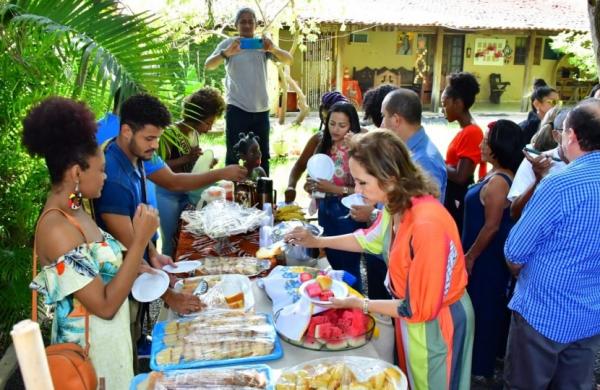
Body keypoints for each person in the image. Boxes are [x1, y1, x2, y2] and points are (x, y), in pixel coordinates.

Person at [286, 130, 474, 390]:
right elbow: (368, 240)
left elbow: (417, 308)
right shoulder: (394, 204)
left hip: (439, 325)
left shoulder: (427, 224)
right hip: (413, 317)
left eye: (363, 183)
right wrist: (318, 242)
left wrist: (359, 303)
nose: (357, 190)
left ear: (390, 178)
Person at [24, 97, 159, 389]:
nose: (105, 176)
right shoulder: (57, 229)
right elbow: (105, 305)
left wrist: (136, 266)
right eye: (100, 169)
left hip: (110, 344)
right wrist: (140, 242)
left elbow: (102, 272)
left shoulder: (77, 210)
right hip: (87, 361)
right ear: (75, 173)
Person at [503, 98, 600, 389]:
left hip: (542, 312)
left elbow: (514, 252)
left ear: (570, 135)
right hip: (590, 314)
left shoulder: (559, 184)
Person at [461, 120, 524, 382]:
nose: (481, 143)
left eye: (486, 140)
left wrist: (471, 256)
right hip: (483, 255)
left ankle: (480, 370)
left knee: (484, 310)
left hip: (486, 258)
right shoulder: (496, 174)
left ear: (499, 146)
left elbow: (491, 226)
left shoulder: (499, 182)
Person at [205, 7, 293, 175]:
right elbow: (209, 65)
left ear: (255, 24)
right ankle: (233, 194)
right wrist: (226, 53)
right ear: (236, 24)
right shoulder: (228, 45)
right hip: (237, 108)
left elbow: (289, 60)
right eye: (243, 22)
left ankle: (262, 193)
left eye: (250, 22)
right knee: (233, 156)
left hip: (261, 111)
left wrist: (273, 49)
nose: (246, 25)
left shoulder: (263, 45)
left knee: (263, 156)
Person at [155, 87, 225, 256]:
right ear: (196, 117)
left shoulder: (193, 134)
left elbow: (191, 168)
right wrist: (186, 159)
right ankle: (168, 274)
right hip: (168, 195)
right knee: (171, 239)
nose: (208, 129)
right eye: (208, 123)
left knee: (186, 237)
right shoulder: (168, 134)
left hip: (187, 193)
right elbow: (158, 167)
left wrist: (203, 164)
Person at [306, 102, 364, 291]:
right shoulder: (324, 143)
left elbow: (367, 190)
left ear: (351, 125)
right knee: (334, 262)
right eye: (332, 123)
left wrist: (335, 189)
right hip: (326, 209)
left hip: (347, 213)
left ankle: (357, 307)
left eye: (342, 125)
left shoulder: (358, 148)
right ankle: (339, 303)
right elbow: (313, 174)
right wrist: (311, 185)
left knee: (349, 266)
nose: (336, 129)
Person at [285, 91, 349, 204]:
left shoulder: (359, 141)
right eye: (326, 120)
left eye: (341, 124)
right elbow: (299, 166)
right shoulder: (319, 139)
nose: (328, 124)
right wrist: (291, 186)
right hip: (324, 207)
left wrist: (335, 189)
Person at [442, 72, 486, 232]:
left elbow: (461, 177)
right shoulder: (465, 130)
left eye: (445, 104)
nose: (443, 109)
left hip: (458, 196)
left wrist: (437, 163)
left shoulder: (472, 132)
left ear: (458, 103)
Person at [508, 109, 569, 220]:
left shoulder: (592, 163)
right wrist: (537, 180)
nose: (577, 139)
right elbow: (515, 213)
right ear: (556, 135)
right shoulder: (537, 162)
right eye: (569, 132)